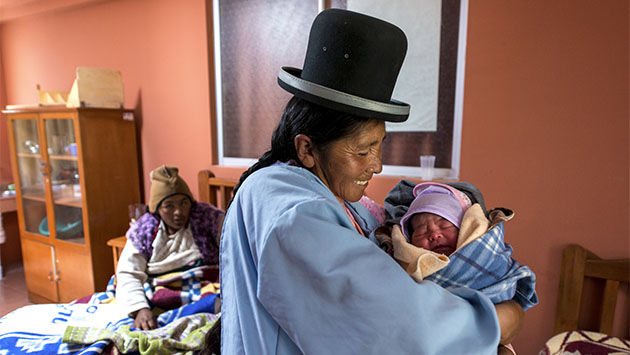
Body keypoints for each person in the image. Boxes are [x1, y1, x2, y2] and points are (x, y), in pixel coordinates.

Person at [218, 8, 524, 354]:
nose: (376, 165)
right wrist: (494, 321)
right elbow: (392, 321)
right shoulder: (295, 211)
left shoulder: (327, 196)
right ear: (307, 148)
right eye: (363, 151)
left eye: (379, 146)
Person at [116, 165, 223, 330]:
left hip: (202, 284)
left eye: (183, 203)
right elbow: (128, 272)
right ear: (157, 209)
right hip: (162, 288)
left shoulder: (207, 218)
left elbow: (232, 245)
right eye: (169, 206)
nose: (178, 212)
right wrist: (140, 309)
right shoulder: (144, 230)